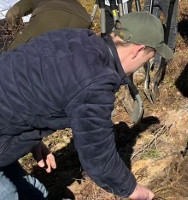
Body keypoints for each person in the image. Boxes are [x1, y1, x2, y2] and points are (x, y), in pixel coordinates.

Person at [0, 11, 168, 199]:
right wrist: (133, 190)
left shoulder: (76, 37)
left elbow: (25, 81)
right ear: (138, 50)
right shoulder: (96, 82)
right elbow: (98, 157)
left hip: (6, 130)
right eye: (148, 59)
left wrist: (31, 139)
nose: (142, 65)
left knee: (35, 193)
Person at [5, 0, 92, 50]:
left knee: (15, 48)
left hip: (50, 14)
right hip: (83, 20)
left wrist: (16, 29)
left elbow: (11, 14)